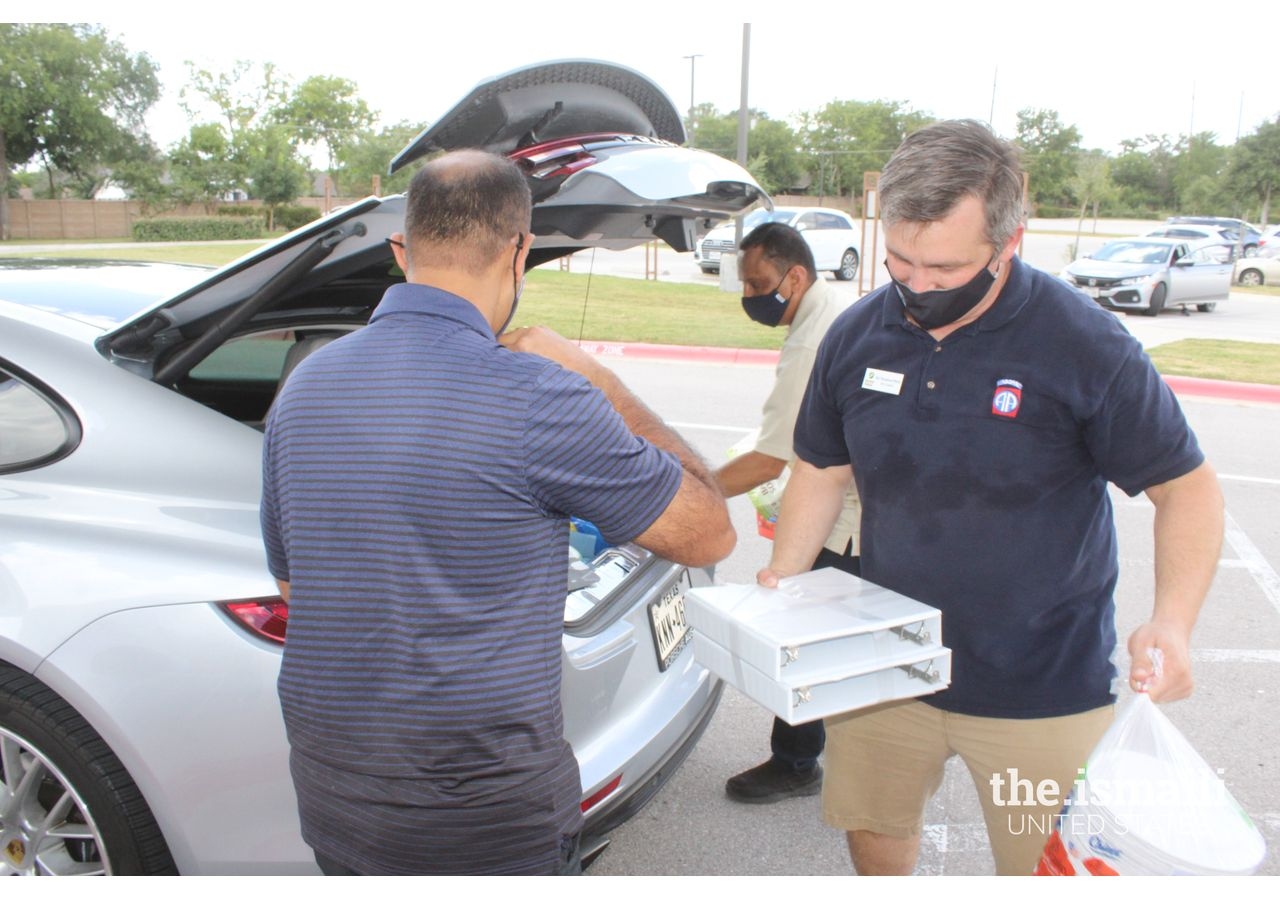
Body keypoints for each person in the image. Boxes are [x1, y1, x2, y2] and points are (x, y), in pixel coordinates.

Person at [760, 120, 1223, 876]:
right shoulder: (855, 335)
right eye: (899, 259)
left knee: (1044, 866)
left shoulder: (1086, 346)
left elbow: (1188, 489)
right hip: (884, 665)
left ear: (1009, 244)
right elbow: (820, 467)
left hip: (1042, 684)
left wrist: (1172, 622)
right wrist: (782, 580)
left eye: (942, 267)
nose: (914, 285)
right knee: (874, 830)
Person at [259, 149, 735, 876]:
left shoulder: (304, 386)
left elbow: (300, 590)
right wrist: (596, 377)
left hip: (335, 798)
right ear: (520, 249)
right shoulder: (540, 396)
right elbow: (708, 531)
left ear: (400, 250)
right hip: (481, 817)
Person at [717, 222, 862, 804]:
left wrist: (689, 490)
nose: (752, 296)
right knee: (835, 640)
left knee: (805, 635)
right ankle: (826, 756)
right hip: (869, 504)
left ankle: (798, 763)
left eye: (759, 283)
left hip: (847, 518)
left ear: (794, 276)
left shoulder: (812, 339)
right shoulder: (834, 308)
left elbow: (769, 459)